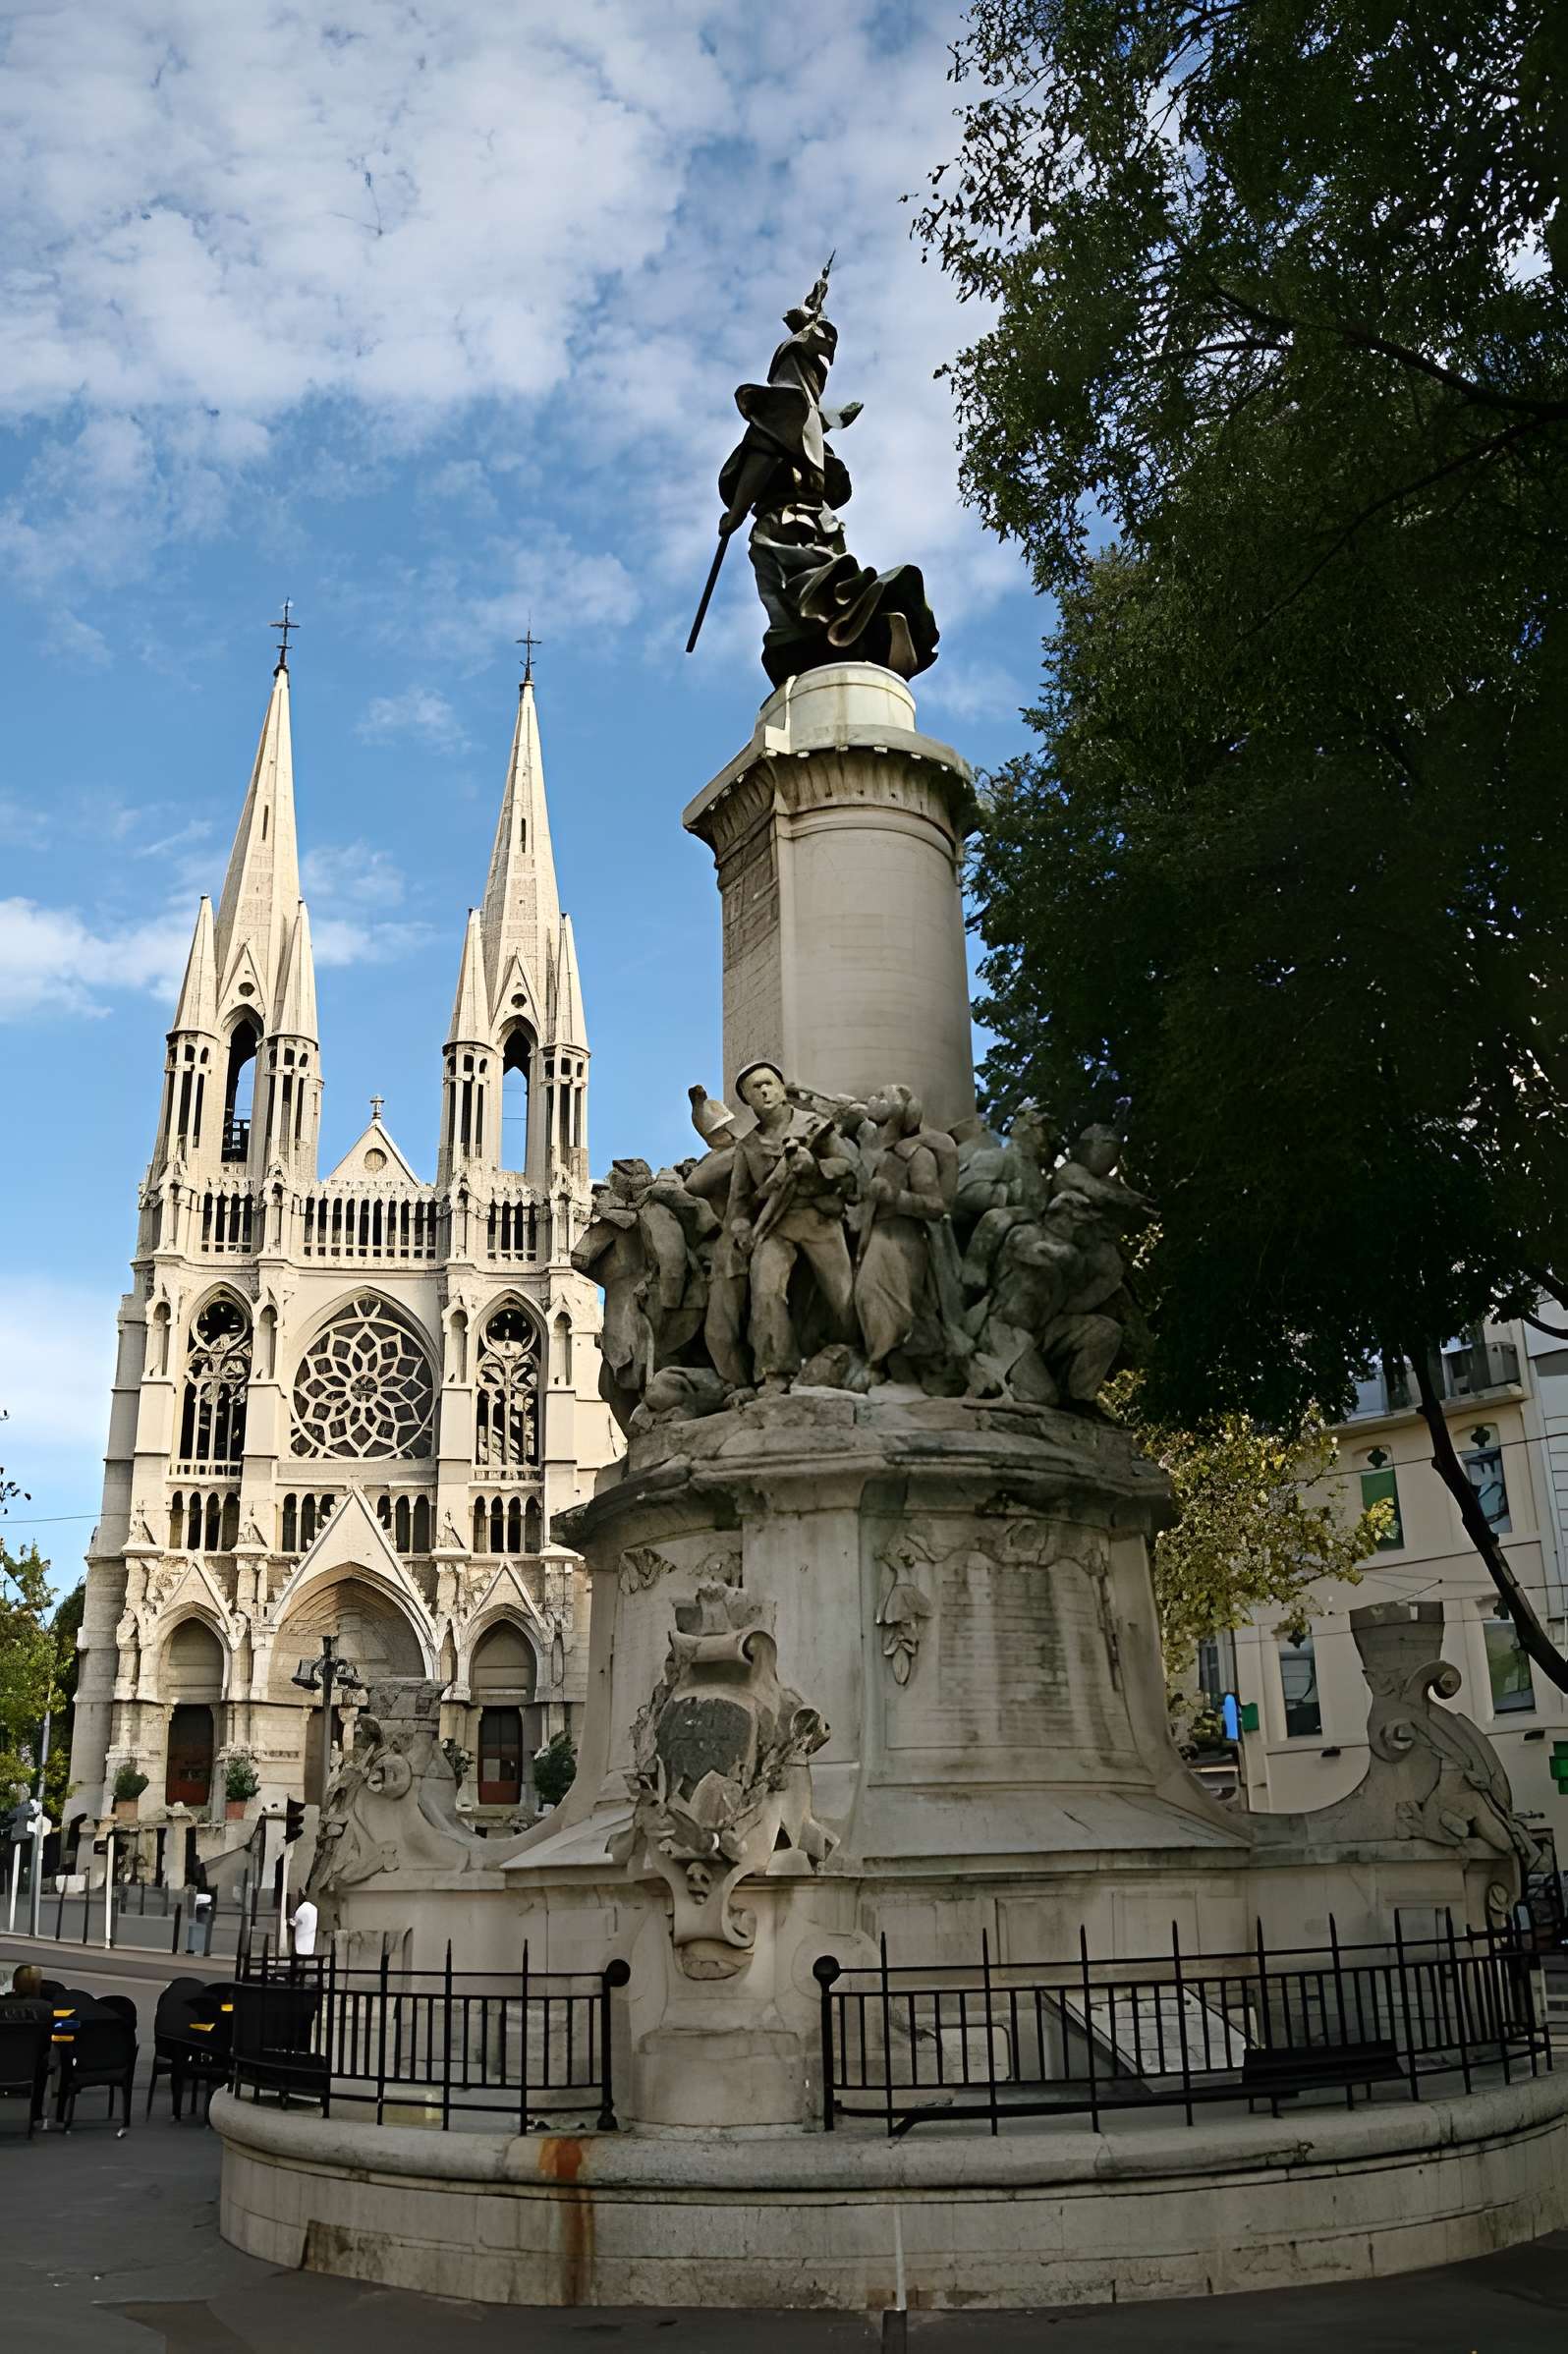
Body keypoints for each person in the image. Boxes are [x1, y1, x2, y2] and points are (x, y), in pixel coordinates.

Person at [289, 1892, 318, 1958]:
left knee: (301, 1954)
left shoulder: (302, 1908)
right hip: (311, 1937)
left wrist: (290, 1921)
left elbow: (298, 1921)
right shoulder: (314, 1908)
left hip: (302, 1938)